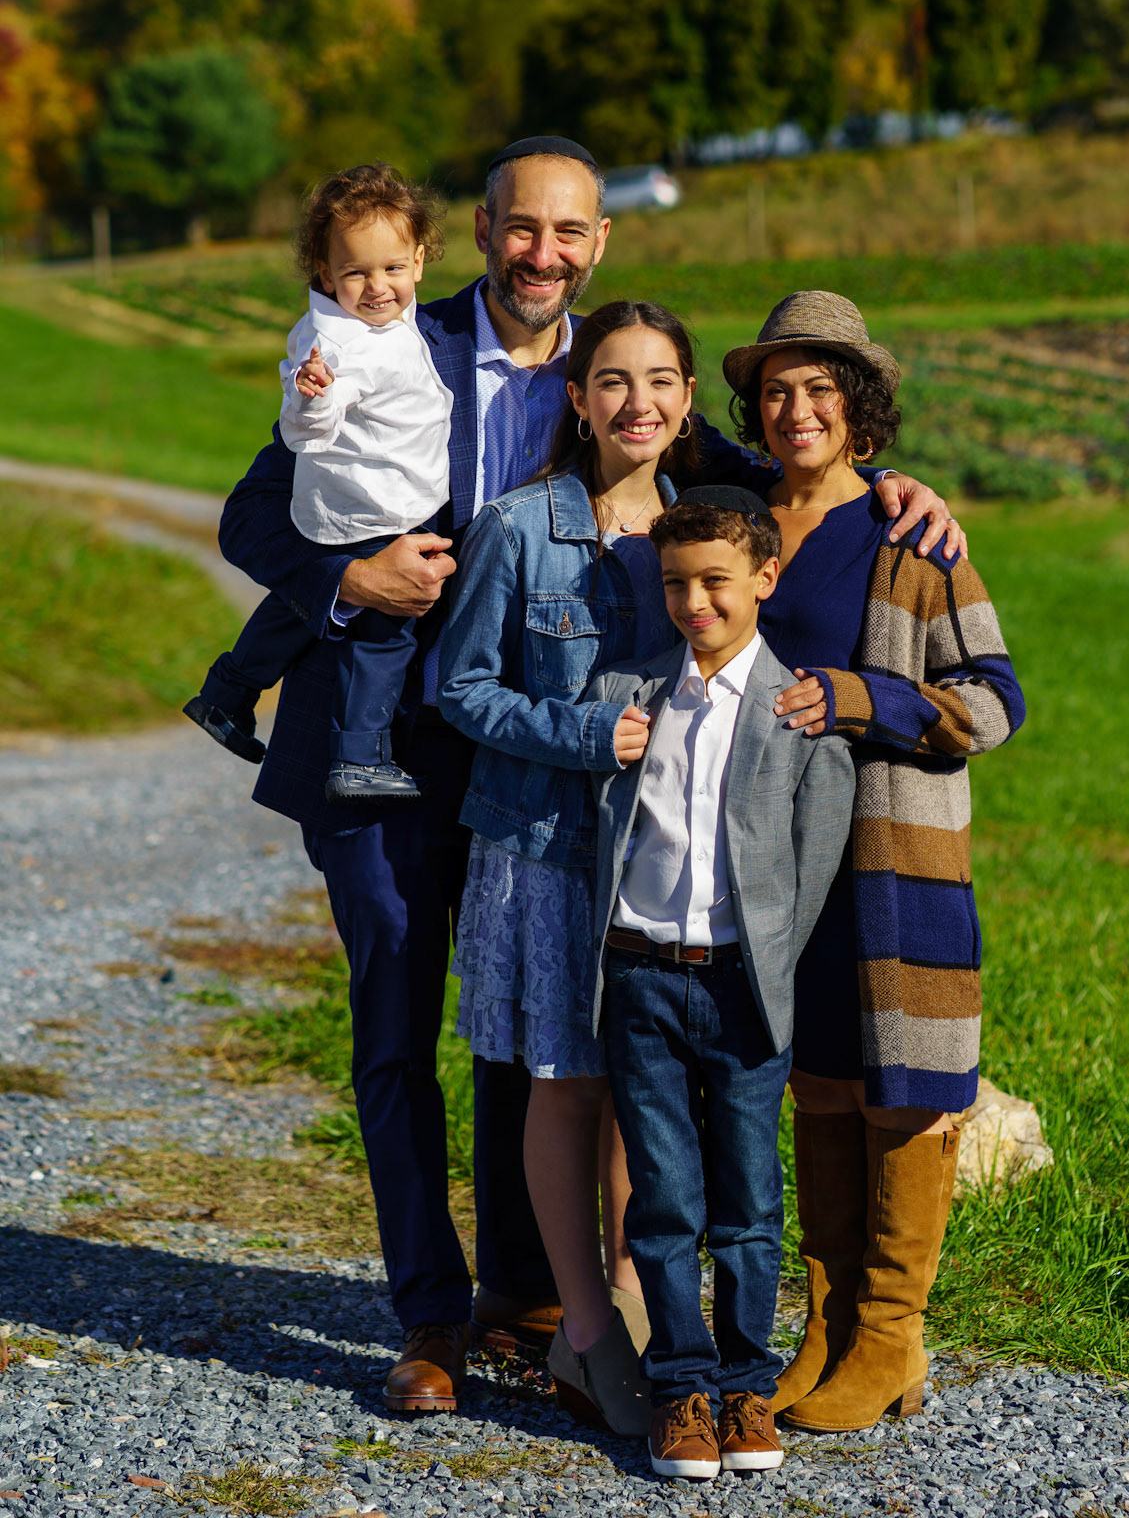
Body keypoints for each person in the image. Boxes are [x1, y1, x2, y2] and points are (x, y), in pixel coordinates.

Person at [216, 138, 960, 1413]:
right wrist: (345, 577)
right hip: (389, 739)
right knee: (398, 1030)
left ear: (597, 242)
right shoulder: (388, 324)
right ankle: (430, 1320)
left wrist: (889, 487)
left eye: (568, 233)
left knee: (553, 1037)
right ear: (483, 229)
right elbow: (251, 513)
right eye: (520, 228)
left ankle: (539, 1295)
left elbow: (764, 469)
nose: (542, 254)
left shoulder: (619, 379)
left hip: (555, 788)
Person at [722, 292, 1027, 1433]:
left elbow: (993, 701)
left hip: (893, 853)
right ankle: (831, 1320)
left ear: (859, 407)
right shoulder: (734, 512)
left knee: (906, 1088)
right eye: (777, 389)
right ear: (752, 407)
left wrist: (863, 700)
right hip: (774, 853)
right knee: (821, 1083)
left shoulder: (910, 533)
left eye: (821, 388)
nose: (797, 408)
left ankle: (892, 1331)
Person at [437, 300, 702, 1436]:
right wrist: (585, 733)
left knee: (646, 1085)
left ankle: (641, 1308)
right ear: (577, 399)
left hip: (665, 850)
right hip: (544, 848)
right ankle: (585, 1331)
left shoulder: (707, 530)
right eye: (612, 380)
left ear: (687, 400)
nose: (636, 401)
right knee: (564, 1074)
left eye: (659, 380)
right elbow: (460, 685)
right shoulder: (519, 525)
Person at [587, 489, 856, 1481]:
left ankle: (747, 1382)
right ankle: (682, 1387)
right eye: (674, 583)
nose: (693, 600)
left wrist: (770, 972)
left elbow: (811, 866)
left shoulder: (798, 713)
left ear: (762, 581)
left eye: (714, 581)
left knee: (746, 1202)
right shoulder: (632, 689)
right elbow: (606, 825)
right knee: (660, 1200)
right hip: (640, 977)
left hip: (743, 988)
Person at [186, 166, 452, 802]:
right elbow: (311, 424)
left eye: (391, 268)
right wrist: (313, 397)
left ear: (418, 261)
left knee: (298, 607)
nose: (377, 286)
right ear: (326, 274)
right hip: (382, 514)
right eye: (357, 273)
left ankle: (227, 692)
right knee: (387, 634)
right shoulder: (342, 346)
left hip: (343, 508)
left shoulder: (383, 326)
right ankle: (360, 755)